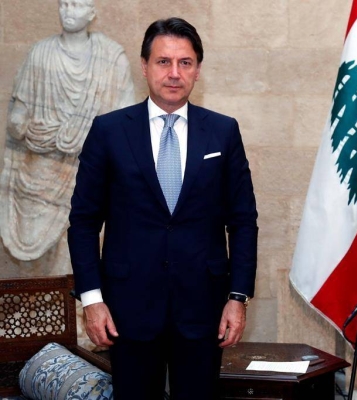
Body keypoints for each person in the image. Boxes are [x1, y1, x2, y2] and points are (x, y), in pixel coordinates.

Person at [68, 17, 258, 399]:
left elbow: (243, 222)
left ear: (198, 70)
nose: (174, 73)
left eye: (185, 63)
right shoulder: (109, 131)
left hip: (203, 311)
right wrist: (92, 301)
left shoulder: (223, 131)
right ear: (144, 66)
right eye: (163, 62)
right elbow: (83, 222)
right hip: (128, 311)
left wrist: (237, 299)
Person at [0, 0, 134, 264]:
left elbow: (127, 118)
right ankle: (52, 301)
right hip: (42, 168)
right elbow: (20, 110)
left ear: (92, 13)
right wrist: (18, 122)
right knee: (48, 257)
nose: (67, 11)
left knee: (86, 236)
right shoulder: (40, 53)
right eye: (63, 4)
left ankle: (84, 301)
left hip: (94, 167)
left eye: (76, 5)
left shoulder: (111, 57)